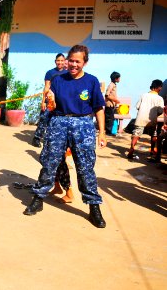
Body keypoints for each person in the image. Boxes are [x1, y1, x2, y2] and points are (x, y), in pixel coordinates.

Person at [23, 44, 107, 228]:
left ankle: (94, 207)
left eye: (78, 61)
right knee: (49, 162)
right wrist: (50, 100)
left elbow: (98, 108)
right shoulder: (58, 79)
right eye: (71, 60)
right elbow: (52, 107)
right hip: (59, 122)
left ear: (85, 62)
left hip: (83, 125)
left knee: (85, 167)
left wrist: (102, 133)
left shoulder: (92, 81)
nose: (73, 64)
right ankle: (38, 199)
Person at [32, 53, 67, 148]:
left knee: (57, 121)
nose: (60, 62)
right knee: (44, 118)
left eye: (62, 60)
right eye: (58, 60)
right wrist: (43, 101)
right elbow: (46, 87)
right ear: (55, 61)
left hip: (61, 102)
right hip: (50, 100)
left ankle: (52, 140)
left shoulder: (67, 73)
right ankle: (37, 138)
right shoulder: (50, 73)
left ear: (65, 62)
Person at [127, 80, 164, 160]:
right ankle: (152, 150)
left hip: (141, 118)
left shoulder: (143, 95)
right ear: (159, 87)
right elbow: (160, 111)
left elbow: (137, 107)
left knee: (136, 133)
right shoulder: (160, 98)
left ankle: (132, 148)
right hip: (152, 119)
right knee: (153, 134)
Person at [104, 71, 121, 136]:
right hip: (109, 104)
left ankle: (110, 131)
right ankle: (108, 132)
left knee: (111, 118)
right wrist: (115, 100)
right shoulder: (111, 85)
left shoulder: (114, 85)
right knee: (109, 119)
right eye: (119, 78)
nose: (119, 79)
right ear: (116, 78)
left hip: (112, 105)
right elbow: (107, 95)